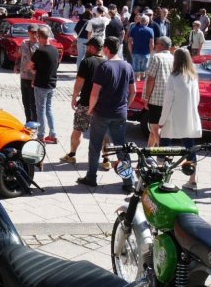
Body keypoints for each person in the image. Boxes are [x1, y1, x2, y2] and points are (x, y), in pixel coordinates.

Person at [77, 36, 137, 192]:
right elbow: (133, 92)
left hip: (102, 113)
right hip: (120, 113)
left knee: (95, 145)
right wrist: (125, 106)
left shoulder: (104, 67)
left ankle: (91, 177)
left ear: (106, 49)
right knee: (121, 147)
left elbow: (94, 93)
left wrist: (90, 110)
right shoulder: (127, 66)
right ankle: (128, 181)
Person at [159, 47, 202, 189]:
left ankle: (161, 175)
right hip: (188, 116)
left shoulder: (173, 78)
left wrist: (161, 121)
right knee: (190, 147)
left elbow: (168, 101)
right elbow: (197, 99)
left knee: (164, 145)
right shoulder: (193, 76)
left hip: (173, 116)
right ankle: (193, 179)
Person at [61, 36, 105, 164]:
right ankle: (106, 159)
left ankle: (72, 154)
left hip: (85, 103)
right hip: (101, 105)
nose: (86, 48)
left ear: (92, 47)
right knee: (103, 133)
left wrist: (74, 96)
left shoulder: (87, 62)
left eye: (87, 46)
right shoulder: (107, 63)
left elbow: (79, 81)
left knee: (78, 129)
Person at [30, 27, 59, 143]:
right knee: (48, 109)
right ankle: (53, 134)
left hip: (41, 84)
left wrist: (33, 70)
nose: (36, 39)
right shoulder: (54, 50)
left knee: (40, 110)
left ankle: (41, 136)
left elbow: (30, 66)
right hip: (51, 83)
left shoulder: (40, 51)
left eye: (37, 37)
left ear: (41, 37)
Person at [143, 37, 174, 147]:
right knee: (155, 128)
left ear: (161, 45)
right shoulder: (173, 58)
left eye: (156, 44)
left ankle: (163, 154)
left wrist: (146, 98)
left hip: (156, 99)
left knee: (155, 128)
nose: (154, 45)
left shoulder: (156, 57)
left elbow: (150, 79)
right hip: (169, 99)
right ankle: (148, 152)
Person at [15, 24, 40, 122]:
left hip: (34, 77)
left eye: (35, 32)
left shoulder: (40, 45)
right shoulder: (24, 43)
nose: (34, 34)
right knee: (25, 101)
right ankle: (28, 121)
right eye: (32, 32)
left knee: (33, 102)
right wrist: (16, 65)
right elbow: (19, 55)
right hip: (24, 75)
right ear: (28, 33)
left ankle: (35, 121)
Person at [127, 14, 154, 81]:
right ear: (147, 22)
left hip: (135, 52)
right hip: (146, 53)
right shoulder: (150, 30)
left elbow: (129, 42)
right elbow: (151, 44)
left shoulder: (133, 29)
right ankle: (142, 88)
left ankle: (135, 87)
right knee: (144, 72)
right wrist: (151, 53)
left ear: (140, 21)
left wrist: (130, 52)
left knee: (135, 72)